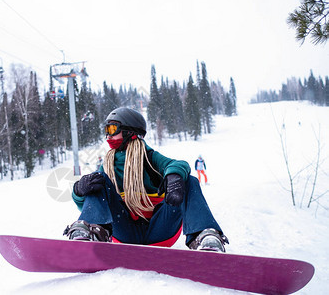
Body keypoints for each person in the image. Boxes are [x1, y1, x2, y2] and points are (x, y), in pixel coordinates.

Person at [63, 107, 228, 252]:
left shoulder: (149, 158)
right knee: (96, 181)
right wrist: (79, 191)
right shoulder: (108, 165)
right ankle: (92, 233)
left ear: (129, 131)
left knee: (187, 180)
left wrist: (173, 177)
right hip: (125, 230)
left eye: (112, 128)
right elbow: (91, 205)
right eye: (106, 130)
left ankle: (204, 236)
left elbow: (179, 164)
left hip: (160, 229)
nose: (108, 135)